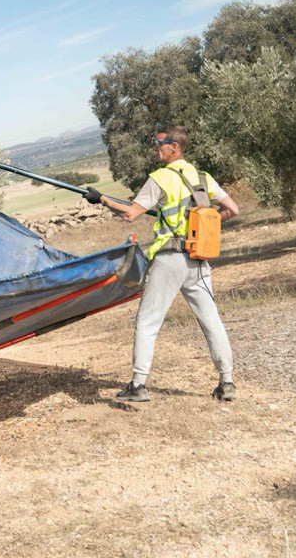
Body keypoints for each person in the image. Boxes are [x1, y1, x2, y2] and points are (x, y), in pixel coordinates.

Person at [83, 125, 240, 403]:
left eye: (158, 143)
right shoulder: (202, 177)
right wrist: (203, 225)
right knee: (210, 320)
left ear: (174, 148)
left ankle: (138, 385)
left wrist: (102, 199)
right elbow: (231, 209)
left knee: (147, 322)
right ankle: (226, 382)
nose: (155, 148)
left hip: (169, 259)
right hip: (198, 260)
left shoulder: (160, 178)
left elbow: (131, 214)